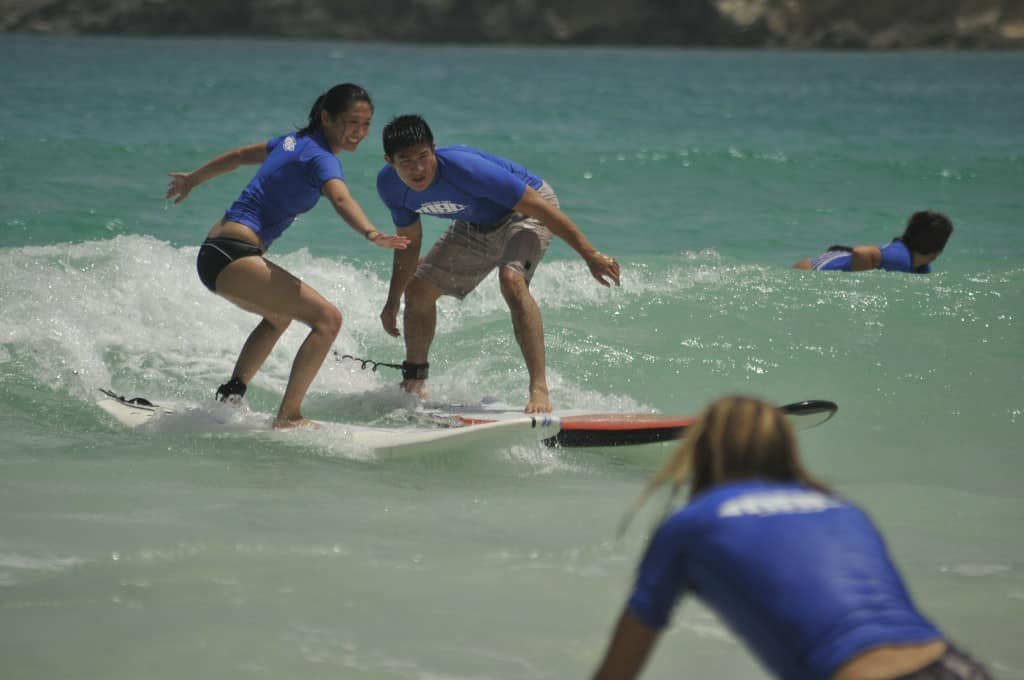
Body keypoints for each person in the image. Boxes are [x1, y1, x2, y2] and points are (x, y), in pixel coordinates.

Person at [592, 395, 991, 680]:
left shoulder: (694, 523)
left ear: (705, 452)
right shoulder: (842, 509)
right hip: (959, 666)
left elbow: (620, 669)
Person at [165, 83, 409, 429]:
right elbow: (341, 199)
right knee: (328, 320)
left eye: (366, 124)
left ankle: (232, 394)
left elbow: (236, 157)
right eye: (352, 122)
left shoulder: (291, 142)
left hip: (216, 252)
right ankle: (289, 415)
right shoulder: (321, 158)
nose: (360, 132)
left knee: (278, 317)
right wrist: (370, 233)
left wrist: (193, 179)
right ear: (326, 117)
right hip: (235, 255)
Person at [375, 114, 621, 413]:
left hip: (527, 211)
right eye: (406, 161)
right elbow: (409, 243)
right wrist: (392, 300)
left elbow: (540, 208)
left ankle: (539, 389)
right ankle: (414, 381)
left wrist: (590, 254)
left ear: (434, 150)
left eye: (423, 156)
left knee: (512, 280)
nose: (417, 168)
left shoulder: (466, 169)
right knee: (418, 292)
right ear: (390, 161)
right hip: (475, 224)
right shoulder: (390, 187)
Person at [793, 211, 953, 273]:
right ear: (937, 250)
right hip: (811, 268)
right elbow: (861, 252)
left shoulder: (920, 268)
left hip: (834, 258)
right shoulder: (900, 258)